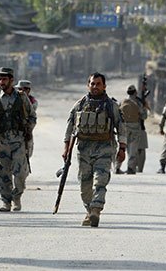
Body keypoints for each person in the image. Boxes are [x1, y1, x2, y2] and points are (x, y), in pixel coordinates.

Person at [62, 72, 126, 227]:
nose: (95, 87)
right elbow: (70, 126)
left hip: (105, 149)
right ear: (88, 85)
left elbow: (121, 127)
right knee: (85, 185)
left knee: (100, 181)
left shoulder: (112, 106)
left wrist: (122, 148)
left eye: (98, 84)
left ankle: (96, 209)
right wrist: (66, 147)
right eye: (92, 83)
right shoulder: (80, 104)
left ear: (104, 86)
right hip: (83, 150)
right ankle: (89, 211)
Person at [0, 68, 35, 212]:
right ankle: (6, 202)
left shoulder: (22, 97)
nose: (1, 82)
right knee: (3, 173)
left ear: (11, 80)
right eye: (0, 79)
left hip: (18, 141)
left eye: (4, 79)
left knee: (20, 173)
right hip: (1, 142)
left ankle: (17, 196)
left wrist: (28, 130)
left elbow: (32, 116)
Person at [117, 84, 148, 174]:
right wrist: (144, 106)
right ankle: (130, 168)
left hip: (123, 127)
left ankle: (117, 167)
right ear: (135, 92)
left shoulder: (122, 102)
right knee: (132, 149)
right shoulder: (138, 103)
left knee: (121, 148)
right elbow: (144, 116)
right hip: (135, 128)